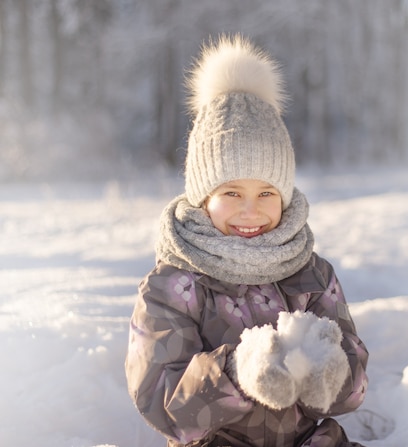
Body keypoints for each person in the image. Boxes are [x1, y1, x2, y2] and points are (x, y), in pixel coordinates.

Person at [125, 35, 369, 447]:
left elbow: (354, 389)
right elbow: (162, 404)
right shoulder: (173, 286)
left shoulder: (311, 272)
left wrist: (332, 372)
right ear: (204, 197)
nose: (251, 210)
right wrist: (238, 371)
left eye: (267, 193)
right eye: (232, 193)